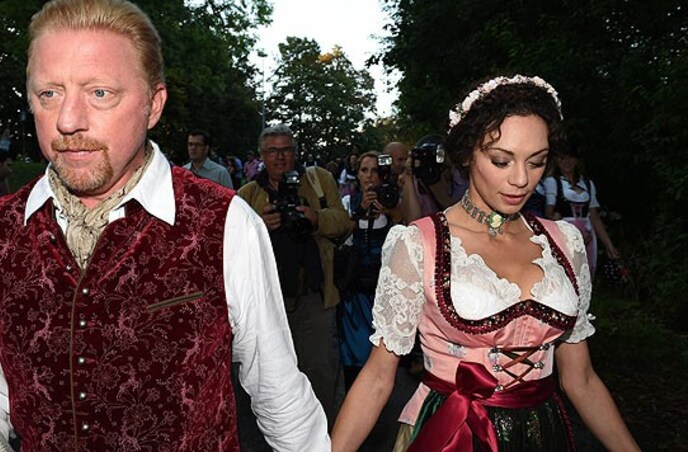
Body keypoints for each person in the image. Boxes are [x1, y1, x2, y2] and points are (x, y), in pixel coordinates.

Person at [0, 1, 328, 450]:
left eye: (100, 93)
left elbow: (277, 390)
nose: (68, 120)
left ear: (153, 106)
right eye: (49, 94)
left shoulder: (226, 223)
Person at [331, 75, 639, 452]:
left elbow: (582, 380)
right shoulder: (419, 244)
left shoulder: (564, 242)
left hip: (545, 435)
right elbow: (379, 376)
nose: (522, 180)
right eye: (501, 160)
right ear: (466, 153)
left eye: (537, 161)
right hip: (454, 432)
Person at [238, 123, 351, 422]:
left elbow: (343, 221)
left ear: (295, 153)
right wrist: (259, 227)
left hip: (315, 293)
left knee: (320, 371)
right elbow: (232, 247)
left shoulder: (318, 181)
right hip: (268, 301)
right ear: (262, 155)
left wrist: (315, 218)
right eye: (273, 151)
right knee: (274, 378)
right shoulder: (248, 195)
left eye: (286, 150)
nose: (280, 157)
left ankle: (326, 435)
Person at [337, 151, 402, 390]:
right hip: (355, 294)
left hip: (384, 290)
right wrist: (358, 211)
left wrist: (392, 212)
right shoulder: (347, 202)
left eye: (375, 170)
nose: (369, 176)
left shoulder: (393, 200)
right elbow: (338, 237)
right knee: (353, 352)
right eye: (364, 170)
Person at [543, 144, 619, 276]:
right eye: (562, 158)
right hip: (563, 233)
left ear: (576, 161)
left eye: (570, 158)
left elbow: (594, 216)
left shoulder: (587, 184)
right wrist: (573, 233)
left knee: (586, 273)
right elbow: (549, 215)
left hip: (588, 233)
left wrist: (609, 245)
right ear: (557, 161)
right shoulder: (552, 182)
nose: (566, 162)